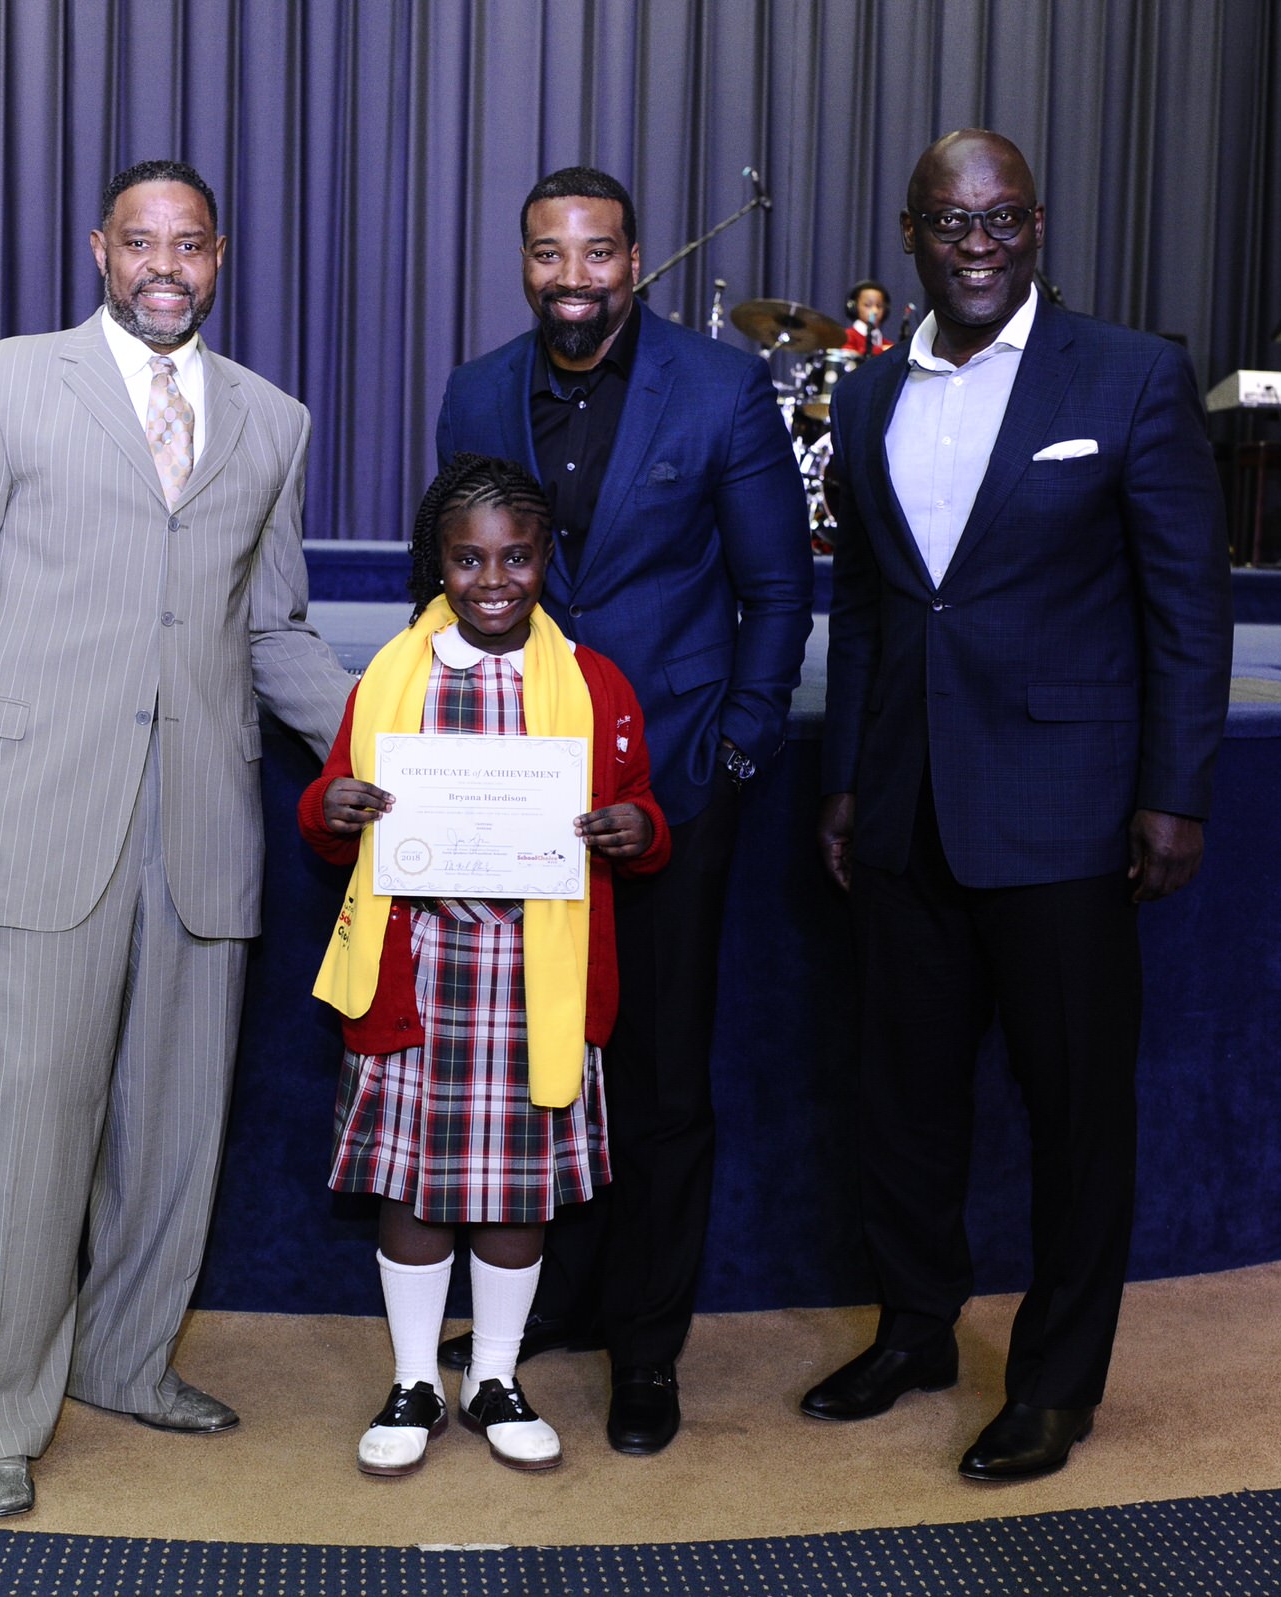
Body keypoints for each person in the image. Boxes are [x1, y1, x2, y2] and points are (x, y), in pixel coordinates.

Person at [0, 158, 352, 1519]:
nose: (165, 266)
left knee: (173, 1126)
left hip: (202, 821)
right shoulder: (0, 384)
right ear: (100, 250)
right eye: (141, 242)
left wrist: (399, 744)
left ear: (220, 257)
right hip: (39, 807)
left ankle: (127, 1359)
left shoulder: (272, 420)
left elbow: (273, 629)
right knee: (30, 1123)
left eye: (188, 244)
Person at [808, 129, 1231, 1481]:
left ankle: (1055, 1383)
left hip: (1067, 810)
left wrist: (1174, 789)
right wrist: (847, 776)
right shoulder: (870, 396)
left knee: (1076, 1114)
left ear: (1037, 228)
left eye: (1002, 220)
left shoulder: (1131, 375)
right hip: (905, 805)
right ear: (910, 234)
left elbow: (1187, 605)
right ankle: (917, 1329)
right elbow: (869, 606)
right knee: (904, 1100)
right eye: (951, 222)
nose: (978, 244)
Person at [433, 166, 811, 1456]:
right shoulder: (477, 392)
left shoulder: (719, 389)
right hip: (515, 787)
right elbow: (456, 582)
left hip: (674, 782)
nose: (574, 277)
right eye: (550, 253)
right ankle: (563, 1304)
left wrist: (740, 748)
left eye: (597, 253)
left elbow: (777, 588)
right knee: (546, 1056)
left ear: (634, 261)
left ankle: (647, 1349)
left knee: (657, 1074)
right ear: (524, 264)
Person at [299, 454, 669, 1477]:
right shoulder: (391, 675)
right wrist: (331, 807)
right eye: (468, 559)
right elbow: (330, 809)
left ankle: (496, 1375)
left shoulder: (594, 683)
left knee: (516, 1191)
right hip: (417, 968)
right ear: (439, 563)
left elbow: (642, 811)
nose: (493, 579)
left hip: (534, 979)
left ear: (548, 558)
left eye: (517, 557)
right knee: (415, 1186)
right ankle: (415, 1378)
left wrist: (638, 828)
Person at [843, 280, 894, 355]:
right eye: (868, 305)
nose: (875, 311)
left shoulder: (888, 345)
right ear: (854, 307)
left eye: (879, 306)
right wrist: (881, 350)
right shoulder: (846, 337)